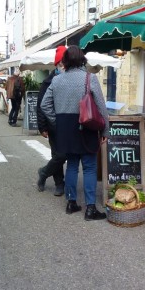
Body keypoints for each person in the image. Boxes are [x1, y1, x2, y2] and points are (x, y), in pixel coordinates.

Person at [41, 45, 109, 221]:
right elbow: (101, 107)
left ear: (65, 61)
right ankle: (90, 208)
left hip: (65, 129)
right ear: (82, 60)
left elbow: (44, 105)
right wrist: (105, 129)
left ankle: (71, 203)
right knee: (89, 167)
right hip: (86, 127)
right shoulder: (90, 78)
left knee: (71, 165)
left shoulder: (57, 80)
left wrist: (57, 122)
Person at [36, 46, 67, 196]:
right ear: (57, 65)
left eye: (65, 62)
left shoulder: (70, 78)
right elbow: (40, 106)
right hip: (53, 124)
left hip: (68, 124)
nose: (64, 66)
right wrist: (42, 127)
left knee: (63, 154)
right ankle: (59, 183)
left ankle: (44, 172)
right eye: (61, 63)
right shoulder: (47, 82)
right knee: (59, 155)